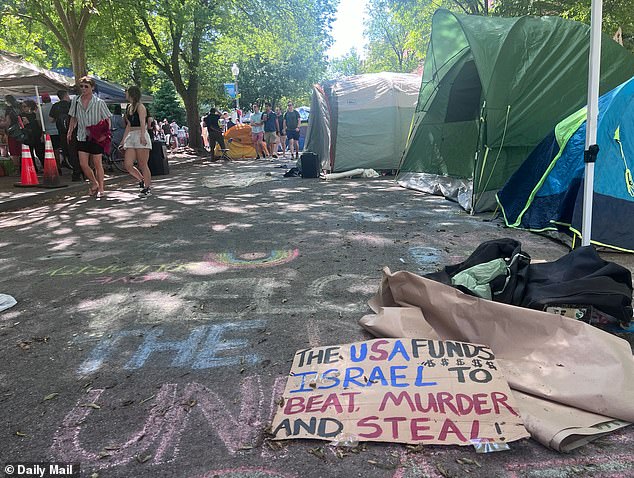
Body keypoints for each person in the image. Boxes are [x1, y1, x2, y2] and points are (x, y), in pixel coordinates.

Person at [66, 76, 111, 197]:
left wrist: (106, 134)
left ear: (92, 87)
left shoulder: (99, 102)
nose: (84, 89)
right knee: (83, 164)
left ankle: (101, 188)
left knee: (97, 163)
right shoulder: (76, 101)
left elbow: (107, 119)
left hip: (97, 136)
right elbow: (73, 117)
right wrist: (70, 131)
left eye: (86, 86)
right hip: (82, 135)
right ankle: (94, 183)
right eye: (81, 86)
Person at [121, 85, 153, 197]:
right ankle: (141, 179)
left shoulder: (141, 107)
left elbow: (142, 121)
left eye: (127, 92)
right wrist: (123, 140)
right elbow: (128, 125)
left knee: (142, 164)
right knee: (128, 164)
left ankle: (147, 187)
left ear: (131, 93)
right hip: (131, 136)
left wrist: (143, 135)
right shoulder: (128, 107)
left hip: (140, 134)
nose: (125, 94)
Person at [50, 90, 81, 181]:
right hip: (75, 131)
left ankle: (74, 170)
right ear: (66, 95)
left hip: (62, 133)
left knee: (68, 152)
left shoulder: (55, 106)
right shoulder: (72, 104)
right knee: (77, 152)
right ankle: (79, 172)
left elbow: (51, 119)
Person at [0, 95, 23, 173]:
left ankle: (16, 169)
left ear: (7, 101)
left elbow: (7, 123)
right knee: (20, 150)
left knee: (14, 151)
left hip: (12, 132)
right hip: (21, 131)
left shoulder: (9, 110)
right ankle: (22, 167)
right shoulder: (19, 108)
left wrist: (1, 123)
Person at [21, 99, 44, 170]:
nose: (23, 108)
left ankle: (44, 165)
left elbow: (39, 126)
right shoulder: (21, 115)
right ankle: (33, 168)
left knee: (40, 152)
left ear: (30, 107)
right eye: (22, 106)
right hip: (27, 136)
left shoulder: (35, 115)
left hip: (37, 135)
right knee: (29, 153)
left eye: (25, 106)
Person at [40, 92, 61, 171]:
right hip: (56, 131)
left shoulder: (41, 109)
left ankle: (52, 167)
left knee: (49, 151)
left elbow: (39, 123)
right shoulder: (54, 107)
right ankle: (58, 166)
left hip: (47, 132)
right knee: (56, 150)